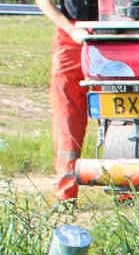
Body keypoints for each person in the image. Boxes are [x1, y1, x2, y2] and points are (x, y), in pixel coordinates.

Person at [37, 0, 95, 202]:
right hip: (72, 37)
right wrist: (71, 29)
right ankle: (66, 195)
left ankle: (125, 189)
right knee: (67, 118)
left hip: (116, 34)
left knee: (120, 114)